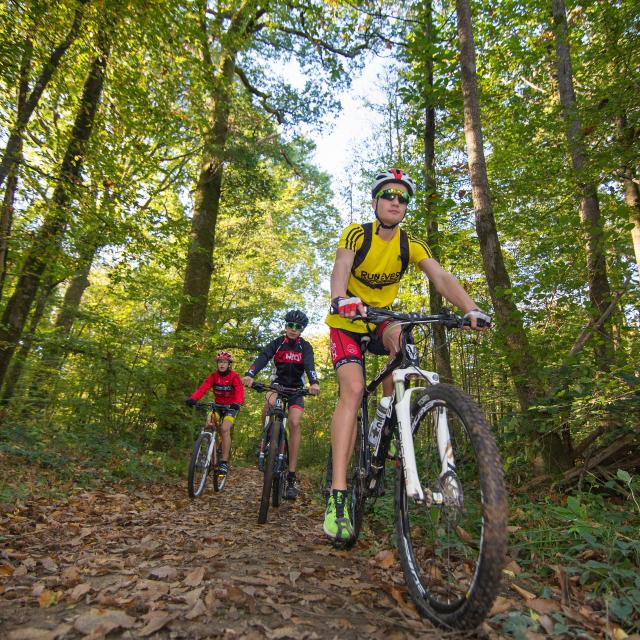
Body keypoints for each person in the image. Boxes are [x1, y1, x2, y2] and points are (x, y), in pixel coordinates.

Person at [324, 168, 491, 542]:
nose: (395, 202)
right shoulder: (358, 233)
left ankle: (391, 416)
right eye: (388, 195)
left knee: (405, 341)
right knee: (351, 391)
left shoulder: (410, 244)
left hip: (383, 320)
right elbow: (341, 266)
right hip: (348, 320)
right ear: (376, 202)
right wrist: (341, 298)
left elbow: (441, 277)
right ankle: (337, 496)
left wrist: (471, 308)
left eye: (402, 198)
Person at [242, 310, 320, 500]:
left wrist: (314, 383)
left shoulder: (305, 347)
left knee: (294, 422)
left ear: (302, 330)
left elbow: (310, 365)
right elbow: (262, 357)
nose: (293, 330)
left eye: (298, 327)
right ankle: (265, 438)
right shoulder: (277, 344)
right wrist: (250, 375)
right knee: (269, 403)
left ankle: (291, 476)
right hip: (277, 385)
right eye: (290, 326)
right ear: (285, 326)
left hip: (296, 390)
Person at [186, 351, 244, 481]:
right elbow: (203, 388)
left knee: (224, 429)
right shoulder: (213, 376)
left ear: (229, 364)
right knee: (209, 424)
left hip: (231, 408)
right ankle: (209, 451)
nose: (221, 364)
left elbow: (240, 391)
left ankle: (223, 462)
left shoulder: (235, 377)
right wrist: (193, 399)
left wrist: (238, 403)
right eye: (219, 362)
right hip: (217, 406)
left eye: (224, 362)